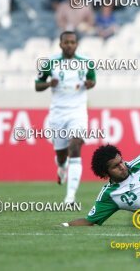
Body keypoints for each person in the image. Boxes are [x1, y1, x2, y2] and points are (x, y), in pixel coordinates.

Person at [35, 31, 96, 204]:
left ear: (76, 44)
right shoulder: (50, 63)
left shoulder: (86, 63)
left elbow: (92, 82)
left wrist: (88, 84)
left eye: (72, 42)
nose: (69, 45)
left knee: (75, 146)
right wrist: (48, 83)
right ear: (60, 44)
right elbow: (37, 85)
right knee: (61, 155)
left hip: (77, 112)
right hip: (58, 114)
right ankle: (61, 167)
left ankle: (70, 197)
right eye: (66, 42)